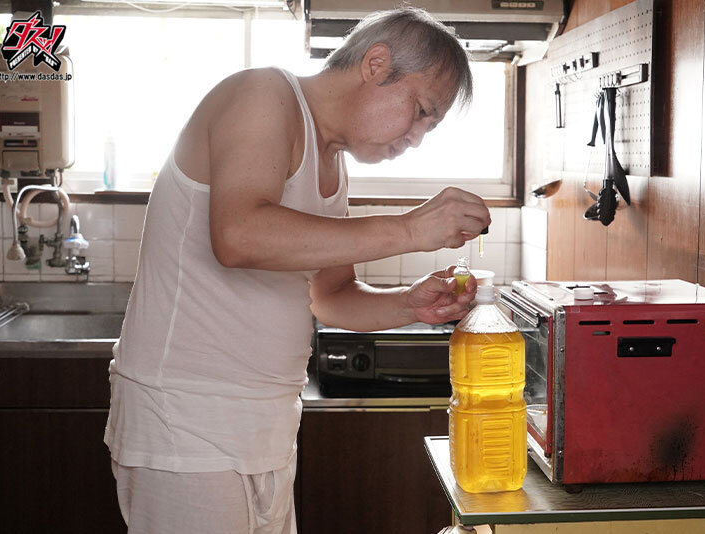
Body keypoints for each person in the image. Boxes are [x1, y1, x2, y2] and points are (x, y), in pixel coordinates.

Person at [104, 7, 490, 534]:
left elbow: (330, 295)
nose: (416, 138)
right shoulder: (262, 95)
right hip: (187, 418)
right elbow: (239, 235)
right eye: (421, 111)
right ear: (376, 64)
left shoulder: (332, 162)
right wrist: (409, 228)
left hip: (266, 425)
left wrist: (409, 303)